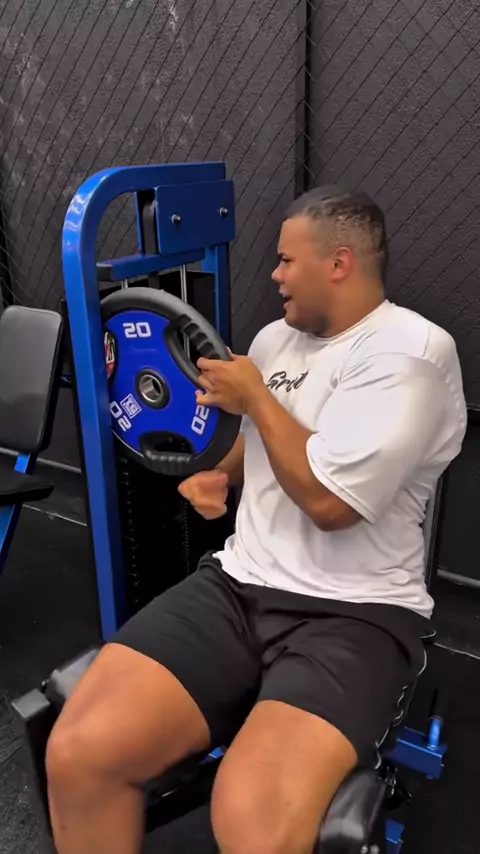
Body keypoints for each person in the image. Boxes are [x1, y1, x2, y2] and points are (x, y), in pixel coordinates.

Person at [46, 186, 467, 854]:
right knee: (81, 752)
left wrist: (258, 399)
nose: (273, 275)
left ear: (340, 263)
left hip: (354, 614)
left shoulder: (411, 353)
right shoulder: (274, 340)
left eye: (286, 260)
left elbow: (330, 504)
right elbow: (259, 446)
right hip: (238, 585)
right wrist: (223, 473)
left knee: (255, 827)